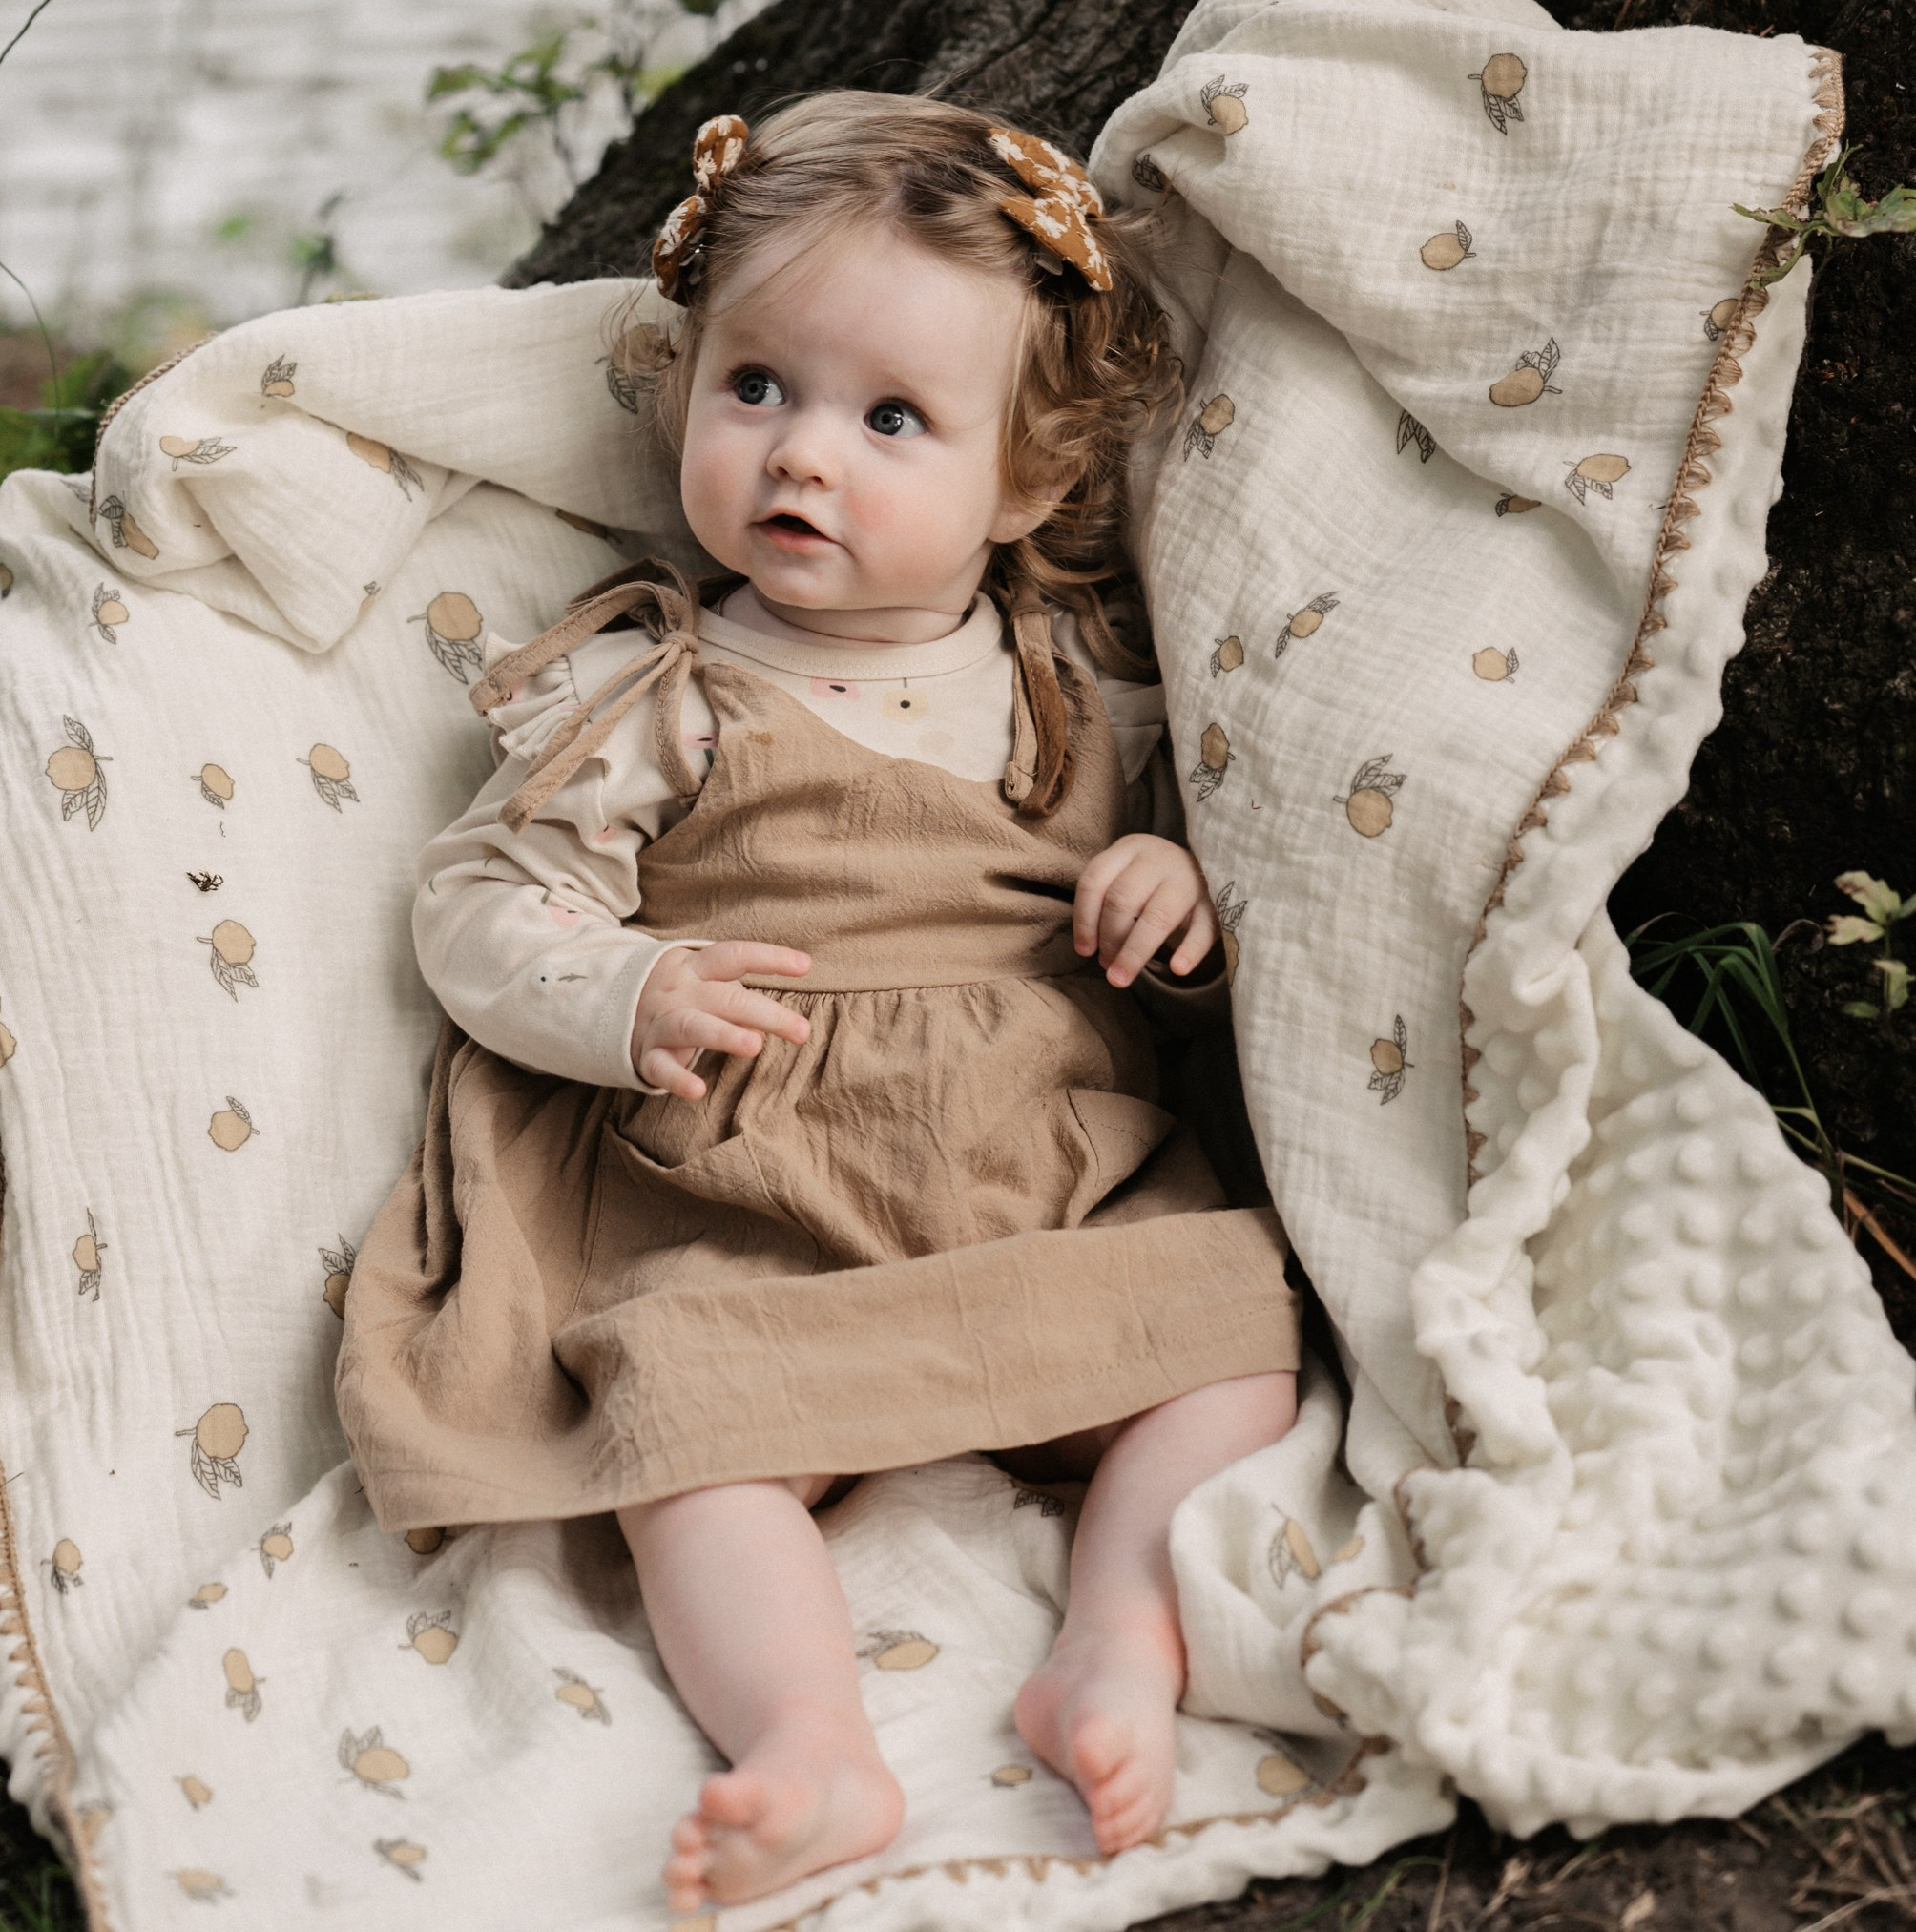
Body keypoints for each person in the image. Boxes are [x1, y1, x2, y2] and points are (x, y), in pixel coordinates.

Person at [338, 92, 1300, 1912]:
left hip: (1038, 1167)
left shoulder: (1081, 694)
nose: (800, 458)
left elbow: (1214, 883)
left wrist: (1170, 891)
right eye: (758, 386)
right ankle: (808, 1741)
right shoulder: (663, 693)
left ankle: (1115, 1631)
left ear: (1025, 483)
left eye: (890, 420)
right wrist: (626, 987)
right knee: (683, 1424)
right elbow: (478, 899)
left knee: (1233, 1331)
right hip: (757, 1185)